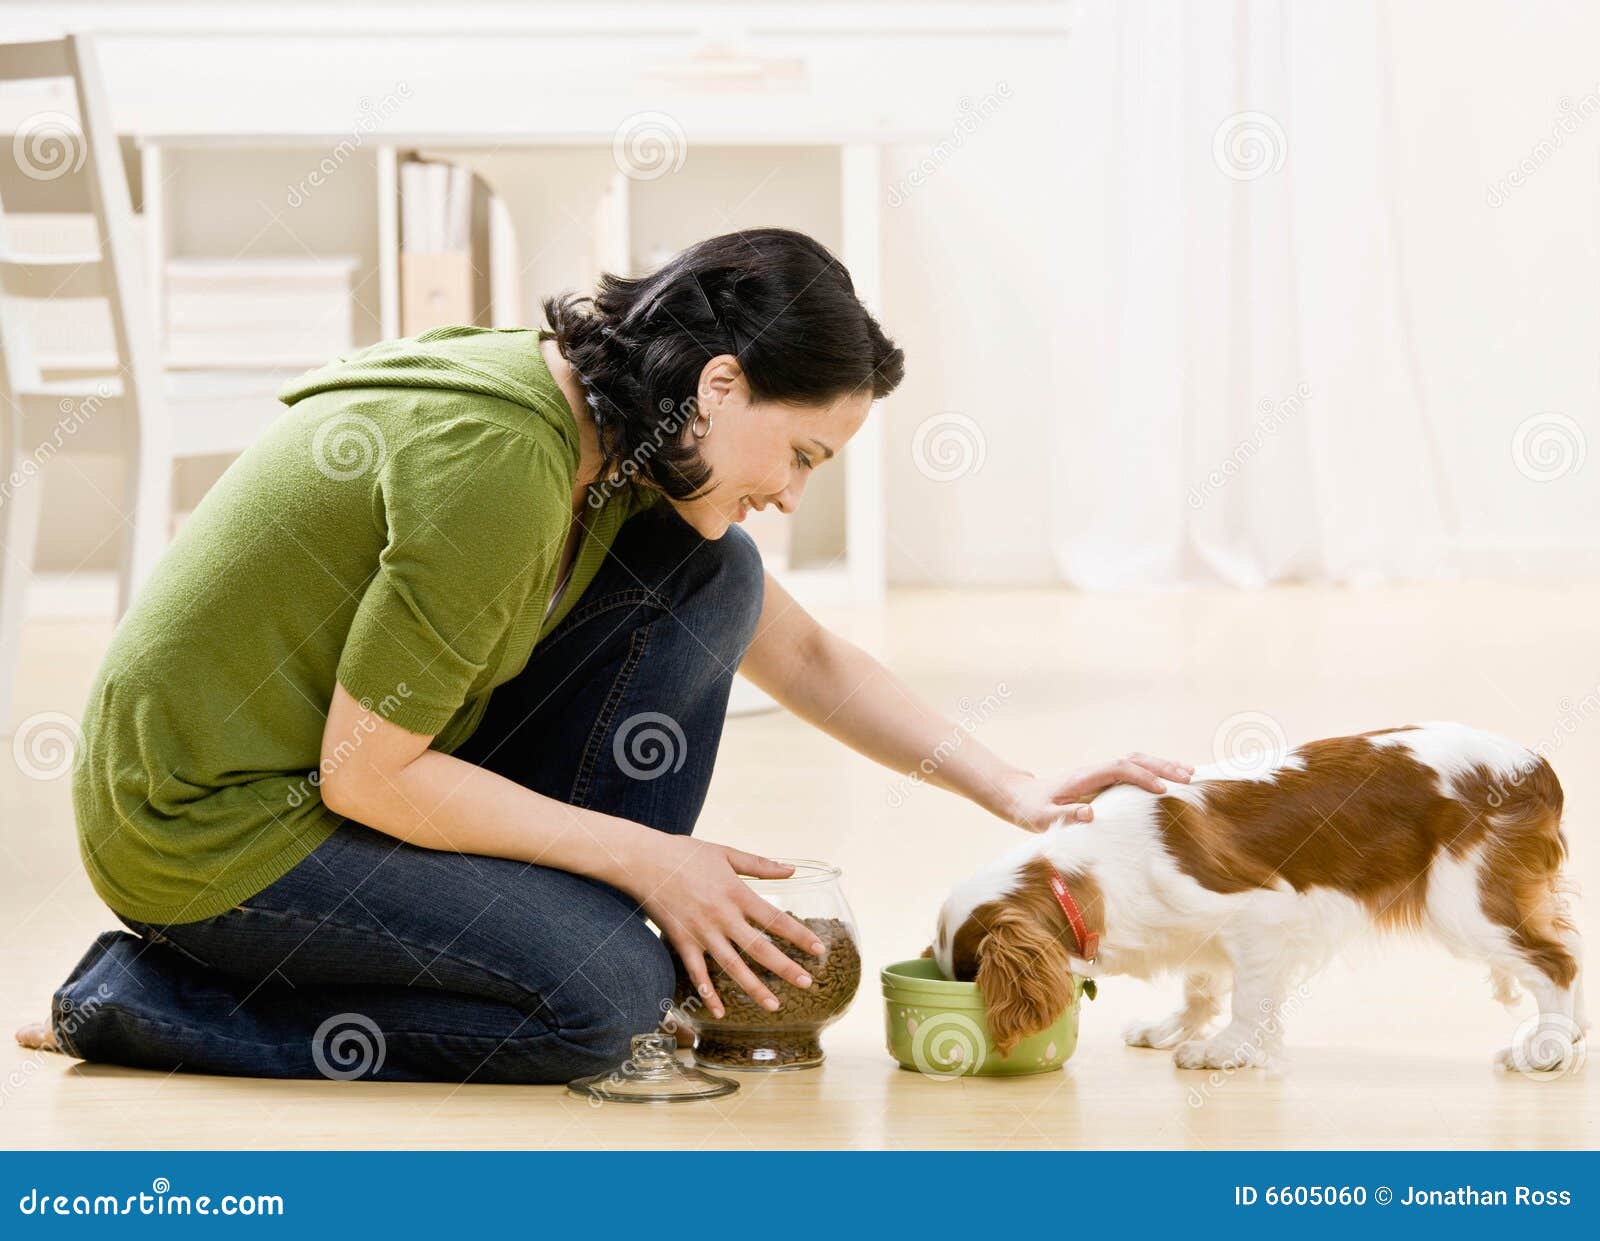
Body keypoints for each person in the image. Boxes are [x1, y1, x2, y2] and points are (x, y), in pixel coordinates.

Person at [18, 228, 1190, 1082]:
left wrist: (1015, 789)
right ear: (721, 383)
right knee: (602, 1007)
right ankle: (139, 1000)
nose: (789, 492)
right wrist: (648, 858)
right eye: (802, 454)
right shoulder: (498, 460)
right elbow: (367, 774)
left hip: (339, 779)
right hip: (211, 827)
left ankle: (580, 925)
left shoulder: (623, 432)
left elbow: (808, 656)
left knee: (713, 574)